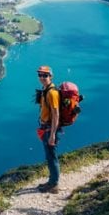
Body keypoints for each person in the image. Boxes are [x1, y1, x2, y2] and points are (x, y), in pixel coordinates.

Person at [36, 64, 60, 193]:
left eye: (45, 75)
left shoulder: (52, 93)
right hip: (46, 127)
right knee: (49, 156)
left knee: (51, 157)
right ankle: (51, 181)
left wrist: (52, 135)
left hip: (50, 129)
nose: (42, 77)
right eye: (40, 75)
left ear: (51, 76)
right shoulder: (45, 89)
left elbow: (56, 114)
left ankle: (54, 184)